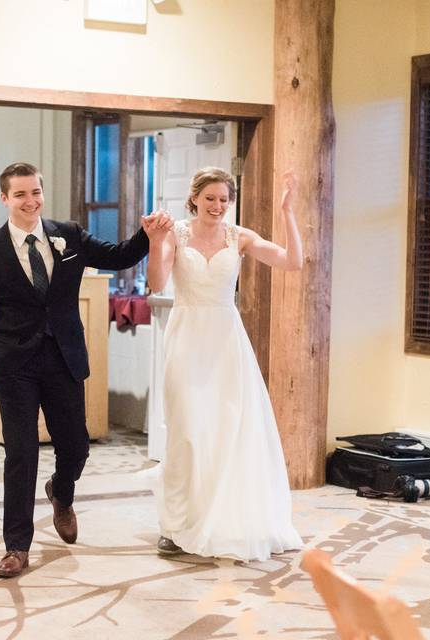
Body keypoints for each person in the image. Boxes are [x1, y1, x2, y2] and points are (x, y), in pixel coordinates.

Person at [0, 162, 171, 578]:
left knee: (75, 447)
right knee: (20, 455)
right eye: (20, 194)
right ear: (4, 198)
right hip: (14, 364)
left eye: (35, 192)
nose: (30, 201)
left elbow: (118, 256)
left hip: (64, 358)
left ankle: (62, 491)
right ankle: (17, 547)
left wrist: (148, 235)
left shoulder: (68, 235)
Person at [144, 166, 304, 561]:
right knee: (187, 433)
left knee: (228, 429)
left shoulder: (240, 237)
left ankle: (223, 517)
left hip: (226, 341)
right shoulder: (176, 233)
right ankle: (175, 525)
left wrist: (287, 212)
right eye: (210, 198)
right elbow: (156, 283)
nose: (217, 206)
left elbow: (293, 262)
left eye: (224, 200)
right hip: (186, 339)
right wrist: (155, 241)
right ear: (195, 197)